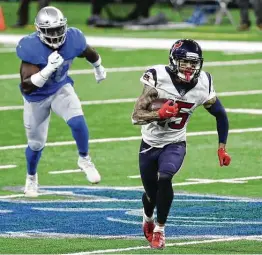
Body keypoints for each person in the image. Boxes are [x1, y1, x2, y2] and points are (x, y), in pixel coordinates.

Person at [131, 39, 231, 249]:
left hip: (175, 143)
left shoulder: (204, 83)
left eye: (194, 63)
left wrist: (222, 146)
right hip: (150, 143)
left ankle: (160, 229)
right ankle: (148, 217)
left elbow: (220, 115)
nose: (189, 67)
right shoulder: (158, 77)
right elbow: (136, 115)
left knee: (165, 177)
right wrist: (158, 113)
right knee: (151, 194)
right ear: (174, 61)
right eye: (184, 62)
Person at [16, 6, 107, 197]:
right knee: (35, 144)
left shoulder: (73, 38)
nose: (56, 35)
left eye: (58, 29)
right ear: (39, 31)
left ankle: (84, 159)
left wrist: (98, 67)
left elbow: (88, 52)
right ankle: (31, 178)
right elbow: (26, 86)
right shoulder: (31, 47)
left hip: (59, 88)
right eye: (50, 31)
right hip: (36, 97)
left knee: (77, 120)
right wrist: (47, 69)